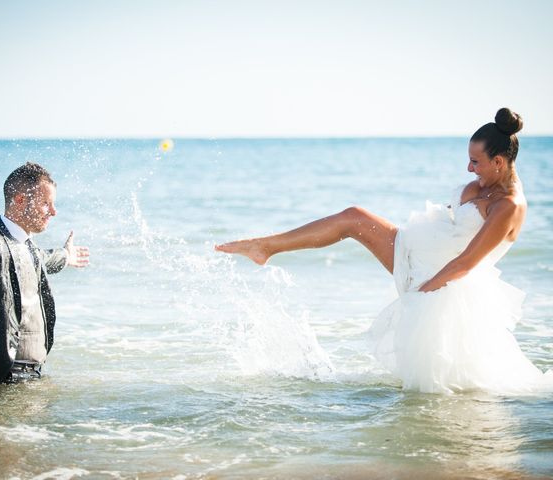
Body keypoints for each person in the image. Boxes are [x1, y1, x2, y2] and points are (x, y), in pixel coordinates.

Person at [216, 108, 551, 394]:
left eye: (475, 162)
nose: (468, 169)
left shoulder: (509, 205)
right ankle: (265, 247)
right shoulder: (482, 186)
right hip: (417, 255)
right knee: (353, 216)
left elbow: (466, 261)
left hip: (436, 280)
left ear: (498, 161)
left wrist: (421, 293)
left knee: (354, 219)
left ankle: (265, 248)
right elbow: (449, 229)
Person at [0, 162, 90, 384]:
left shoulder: (27, 244)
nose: (53, 212)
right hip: (3, 375)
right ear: (20, 200)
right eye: (46, 204)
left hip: (29, 373)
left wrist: (66, 255)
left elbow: (45, 259)